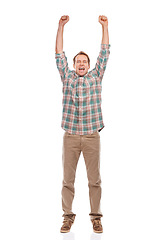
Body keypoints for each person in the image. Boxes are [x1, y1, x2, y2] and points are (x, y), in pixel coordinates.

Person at [55, 15, 110, 233]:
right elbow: (58, 54)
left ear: (88, 65)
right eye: (78, 61)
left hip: (91, 137)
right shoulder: (66, 78)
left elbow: (105, 53)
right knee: (68, 181)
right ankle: (67, 216)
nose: (81, 64)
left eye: (84, 61)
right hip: (70, 136)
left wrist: (105, 26)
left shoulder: (96, 77)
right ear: (73, 65)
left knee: (94, 180)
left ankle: (96, 217)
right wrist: (60, 27)